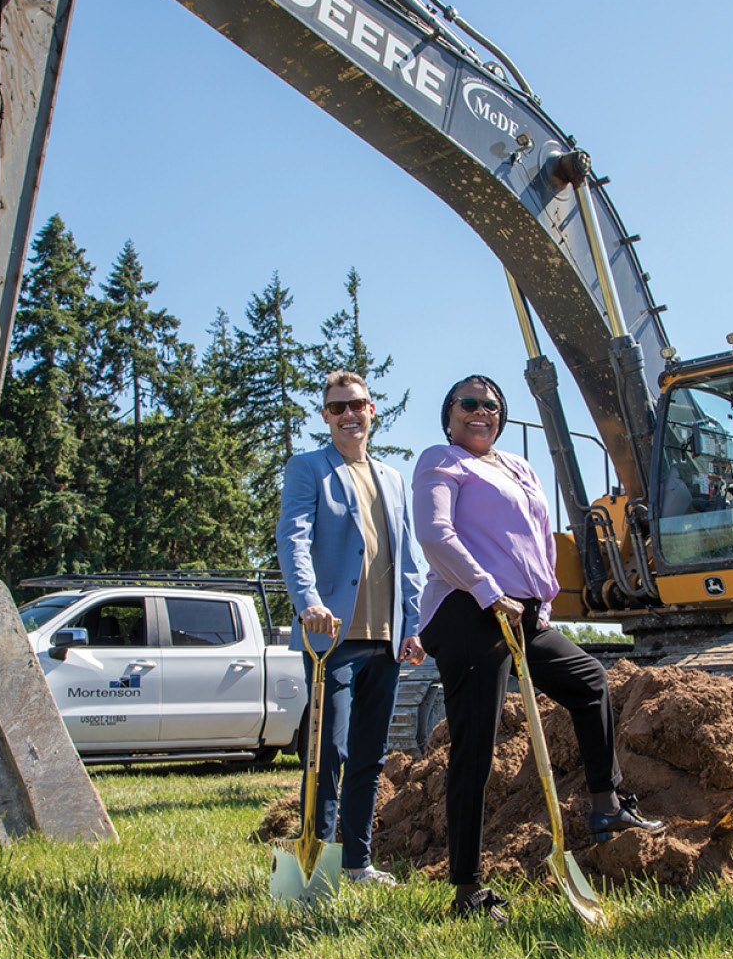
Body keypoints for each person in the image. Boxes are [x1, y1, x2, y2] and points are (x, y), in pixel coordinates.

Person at [413, 374, 664, 923]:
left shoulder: (520, 468)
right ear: (450, 415)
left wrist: (542, 604)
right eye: (469, 404)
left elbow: (541, 539)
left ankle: (608, 806)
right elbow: (434, 535)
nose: (482, 411)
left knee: (588, 681)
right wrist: (487, 591)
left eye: (492, 405)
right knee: (474, 748)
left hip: (521, 613)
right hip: (466, 611)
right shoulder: (443, 460)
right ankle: (467, 891)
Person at [277, 370, 426, 887]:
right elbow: (293, 541)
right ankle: (313, 859)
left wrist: (413, 624)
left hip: (386, 638)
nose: (348, 416)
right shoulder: (308, 469)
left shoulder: (392, 478)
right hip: (331, 640)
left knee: (370, 757)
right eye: (336, 408)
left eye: (356, 406)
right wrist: (308, 603)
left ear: (371, 411)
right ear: (325, 416)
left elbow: (408, 558)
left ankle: (358, 864)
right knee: (327, 752)